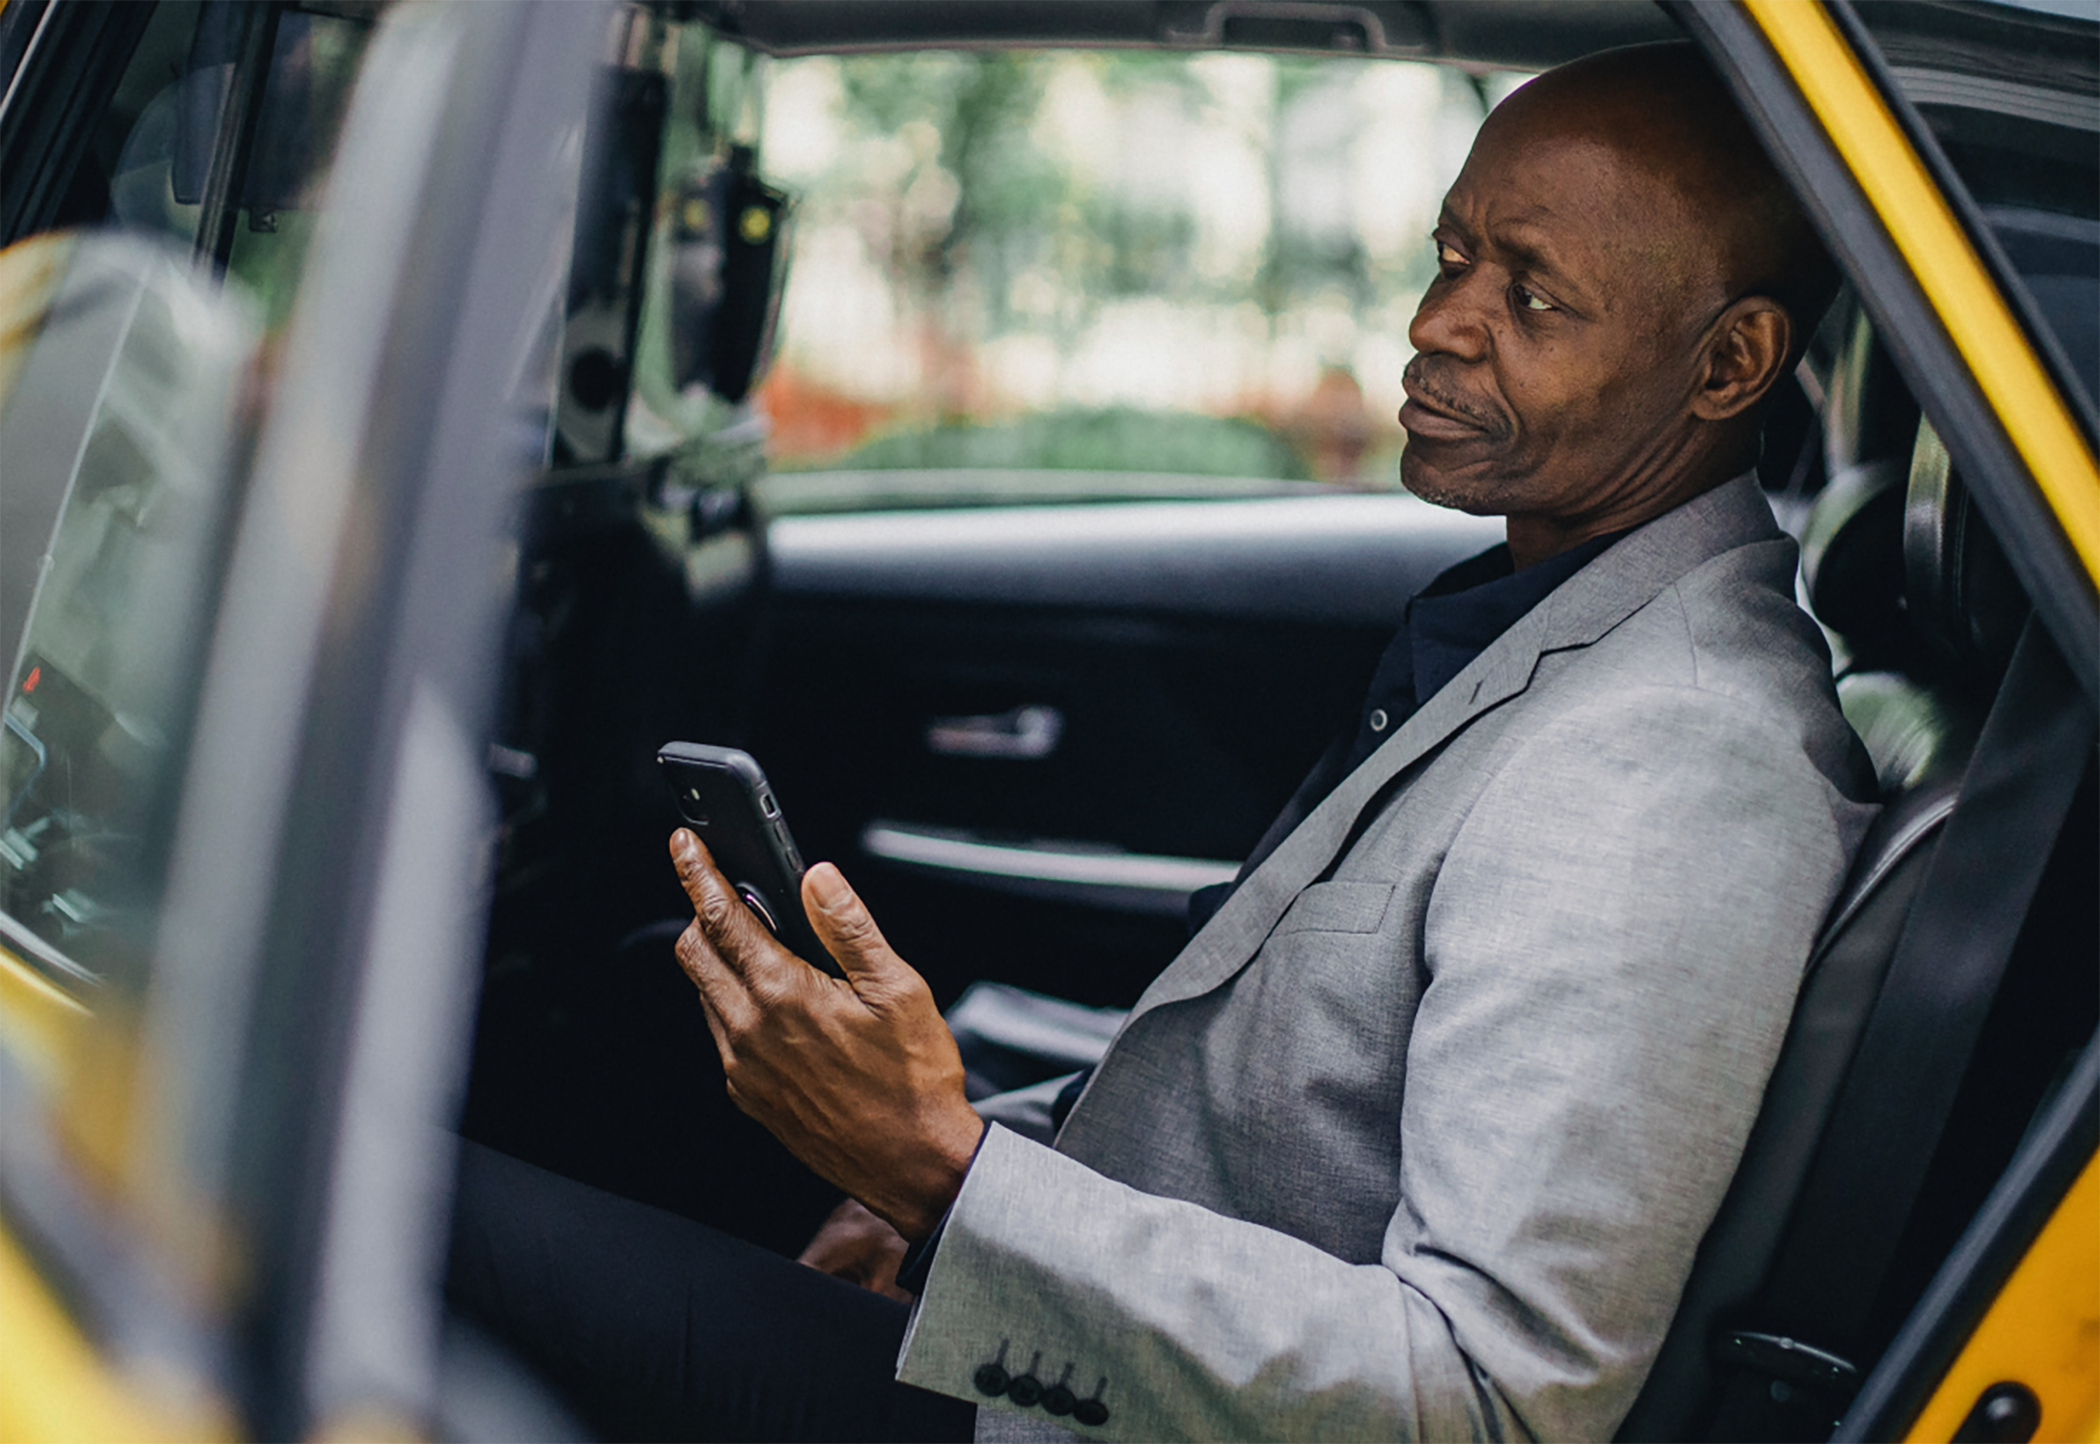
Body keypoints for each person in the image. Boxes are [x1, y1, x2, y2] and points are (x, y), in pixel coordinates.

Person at [447, 40, 1876, 1444]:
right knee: (623, 1037)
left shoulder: (1673, 758)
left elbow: (1484, 1400)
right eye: (1452, 255)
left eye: (1533, 294)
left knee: (407, 1211)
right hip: (1058, 1333)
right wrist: (950, 1199)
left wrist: (946, 1179)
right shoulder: (1547, 615)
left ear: (1731, 361)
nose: (1439, 320)